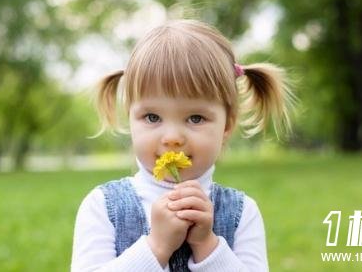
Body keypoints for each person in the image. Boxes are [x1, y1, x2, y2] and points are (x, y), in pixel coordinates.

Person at [71, 19, 292, 272]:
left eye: (195, 118)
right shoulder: (102, 207)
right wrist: (156, 248)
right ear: (130, 118)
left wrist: (207, 245)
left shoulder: (241, 214)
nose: (172, 137)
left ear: (227, 126)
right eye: (152, 117)